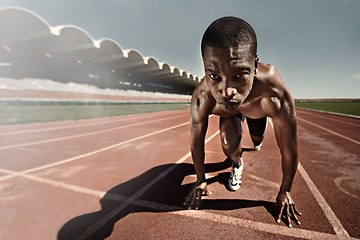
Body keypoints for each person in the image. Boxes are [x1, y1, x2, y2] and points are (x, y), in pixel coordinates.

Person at [183, 16, 301, 227]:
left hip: (258, 110)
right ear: (204, 67)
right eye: (214, 76)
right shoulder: (202, 96)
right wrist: (201, 180)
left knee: (257, 141)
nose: (227, 91)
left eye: (240, 74)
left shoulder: (274, 91)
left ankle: (256, 137)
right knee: (229, 145)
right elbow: (196, 139)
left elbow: (289, 148)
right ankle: (236, 163)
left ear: (255, 65)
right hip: (229, 116)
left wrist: (285, 191)